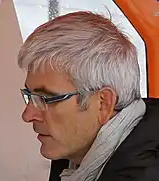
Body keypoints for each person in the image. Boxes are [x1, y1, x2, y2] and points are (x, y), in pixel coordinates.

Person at [17, 11, 159, 181]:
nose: (28, 115)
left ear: (103, 104)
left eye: (47, 99)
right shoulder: (74, 153)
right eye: (29, 95)